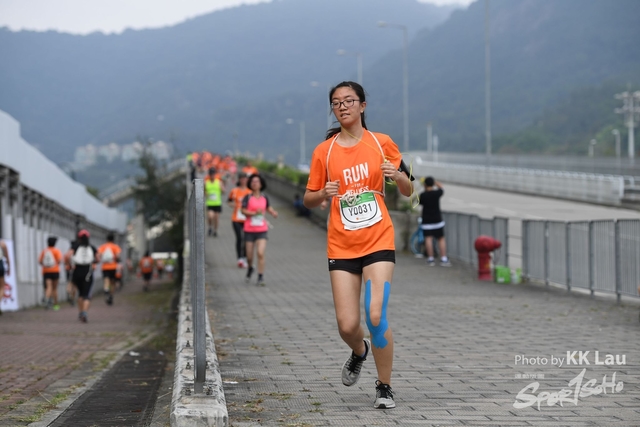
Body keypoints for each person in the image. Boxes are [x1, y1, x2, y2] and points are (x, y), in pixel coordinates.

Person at [303, 81, 414, 409]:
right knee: (348, 325)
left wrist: (397, 175)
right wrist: (323, 194)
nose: (343, 107)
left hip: (379, 239)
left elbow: (409, 189)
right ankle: (359, 350)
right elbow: (308, 199)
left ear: (362, 106)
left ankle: (384, 386)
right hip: (341, 245)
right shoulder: (324, 152)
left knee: (375, 315)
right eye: (336, 103)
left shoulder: (382, 143)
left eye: (349, 100)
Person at [241, 174, 278, 286]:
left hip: (262, 230)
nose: (254, 183)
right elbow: (243, 211)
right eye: (253, 181)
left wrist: (273, 212)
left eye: (257, 181)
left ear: (261, 184)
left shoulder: (264, 197)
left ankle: (260, 276)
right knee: (249, 256)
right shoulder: (247, 197)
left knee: (260, 253)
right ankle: (250, 268)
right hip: (249, 230)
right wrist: (253, 213)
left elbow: (268, 207)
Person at [418, 177, 451, 267]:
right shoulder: (437, 193)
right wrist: (436, 182)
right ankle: (444, 258)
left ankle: (431, 259)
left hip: (426, 220)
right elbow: (442, 188)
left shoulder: (423, 195)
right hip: (437, 220)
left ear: (425, 185)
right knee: (441, 238)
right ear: (432, 184)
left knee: (428, 239)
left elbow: (420, 203)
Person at [70, 229, 98, 323]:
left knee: (80, 293)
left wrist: (70, 264)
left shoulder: (75, 246)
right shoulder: (92, 247)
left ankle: (80, 312)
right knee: (86, 294)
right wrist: (94, 261)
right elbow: (98, 258)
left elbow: (67, 256)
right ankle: (85, 313)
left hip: (77, 271)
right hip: (88, 272)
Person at [227, 172, 251, 268]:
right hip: (236, 218)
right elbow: (229, 201)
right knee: (239, 238)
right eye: (242, 179)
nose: (243, 181)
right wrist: (232, 205)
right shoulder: (234, 191)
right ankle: (239, 258)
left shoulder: (250, 192)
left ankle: (244, 257)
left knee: (246, 239)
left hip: (246, 219)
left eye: (245, 179)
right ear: (239, 180)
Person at [39, 236, 63, 310]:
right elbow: (59, 260)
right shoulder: (56, 251)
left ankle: (46, 299)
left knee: (48, 287)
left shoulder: (44, 251)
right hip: (55, 271)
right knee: (55, 288)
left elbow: (40, 261)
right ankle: (55, 305)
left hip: (46, 271)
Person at [97, 232, 122, 305]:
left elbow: (99, 255)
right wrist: (117, 260)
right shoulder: (115, 247)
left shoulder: (103, 246)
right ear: (113, 239)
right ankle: (111, 295)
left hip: (105, 267)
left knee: (106, 280)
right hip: (113, 267)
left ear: (107, 239)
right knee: (112, 282)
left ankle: (106, 290)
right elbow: (118, 256)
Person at [205, 167, 226, 237]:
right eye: (211, 174)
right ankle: (210, 227)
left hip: (217, 203)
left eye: (213, 174)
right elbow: (204, 191)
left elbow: (224, 192)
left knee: (216, 218)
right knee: (210, 216)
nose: (212, 175)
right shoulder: (206, 183)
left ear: (215, 174)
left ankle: (215, 230)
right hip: (210, 203)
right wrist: (206, 193)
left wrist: (222, 188)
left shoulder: (219, 182)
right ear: (209, 175)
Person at [64, 241, 76, 305]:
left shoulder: (68, 252)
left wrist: (68, 264)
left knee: (69, 282)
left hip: (68, 269)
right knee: (75, 285)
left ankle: (68, 291)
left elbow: (65, 261)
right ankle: (72, 298)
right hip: (75, 270)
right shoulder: (76, 251)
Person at [0, 239, 10, 316]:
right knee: (1, 287)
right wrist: (9, 268)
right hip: (0, 265)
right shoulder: (2, 244)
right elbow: (7, 257)